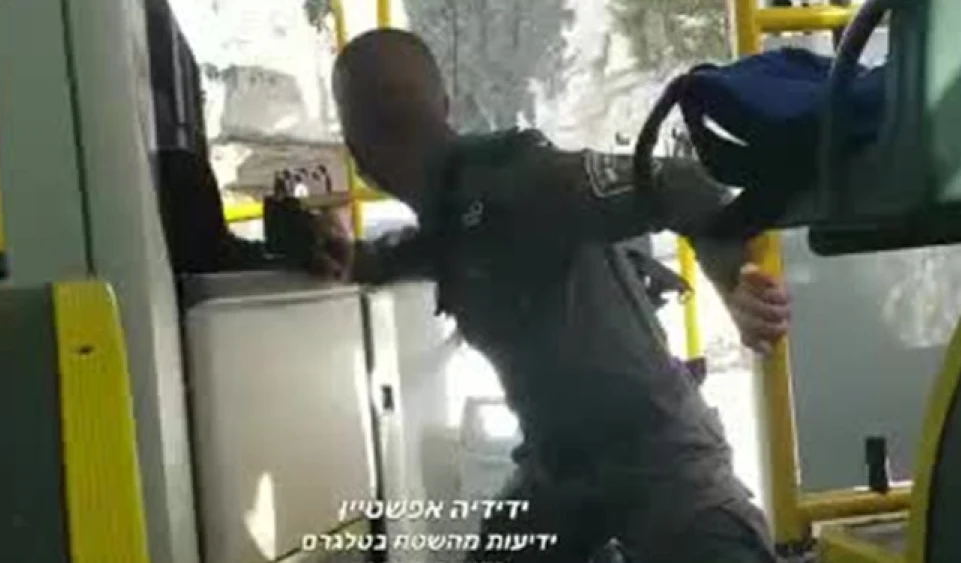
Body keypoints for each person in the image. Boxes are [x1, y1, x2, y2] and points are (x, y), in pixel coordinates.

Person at [328, 28, 791, 563]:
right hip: (560, 474)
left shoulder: (523, 180)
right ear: (445, 104)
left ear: (355, 151)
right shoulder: (447, 218)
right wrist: (348, 256)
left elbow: (684, 183)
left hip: (658, 462)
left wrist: (735, 285)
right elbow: (407, 251)